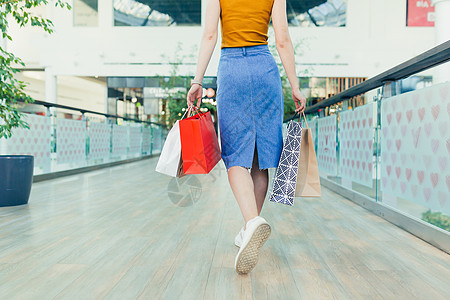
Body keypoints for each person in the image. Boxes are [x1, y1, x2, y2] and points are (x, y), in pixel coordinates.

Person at [187, 0, 306, 274]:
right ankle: (248, 228)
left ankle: (252, 222)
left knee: (235, 156)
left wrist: (197, 80)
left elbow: (209, 35)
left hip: (232, 70)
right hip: (265, 69)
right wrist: (295, 86)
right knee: (260, 159)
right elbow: (283, 40)